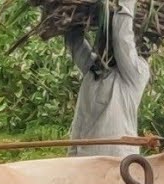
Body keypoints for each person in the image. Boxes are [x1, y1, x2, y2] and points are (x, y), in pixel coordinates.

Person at [63, 0, 150, 158]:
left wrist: (126, 3)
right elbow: (75, 41)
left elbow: (122, 39)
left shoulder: (135, 74)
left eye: (106, 38)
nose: (103, 43)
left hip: (116, 163)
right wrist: (72, 13)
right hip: (81, 159)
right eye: (102, 39)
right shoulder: (94, 70)